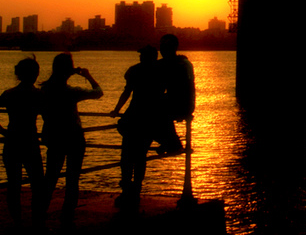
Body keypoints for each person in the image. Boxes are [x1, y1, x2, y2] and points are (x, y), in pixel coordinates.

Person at [40, 53, 102, 228]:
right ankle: (68, 214)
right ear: (69, 69)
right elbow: (98, 93)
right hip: (73, 136)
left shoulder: (45, 90)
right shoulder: (71, 92)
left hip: (53, 136)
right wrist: (88, 76)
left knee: (50, 176)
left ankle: (41, 210)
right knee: (73, 178)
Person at [0, 56, 44, 229]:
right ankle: (36, 220)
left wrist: (1, 130)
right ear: (35, 74)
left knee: (14, 184)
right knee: (37, 183)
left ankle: (17, 220)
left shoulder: (10, 94)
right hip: (30, 140)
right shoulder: (38, 95)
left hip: (12, 140)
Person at [110, 45, 163, 209]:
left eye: (142, 56)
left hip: (135, 117)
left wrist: (117, 110)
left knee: (127, 156)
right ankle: (134, 190)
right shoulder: (160, 71)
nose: (140, 58)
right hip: (149, 118)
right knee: (139, 157)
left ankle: (128, 190)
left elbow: (127, 92)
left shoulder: (135, 71)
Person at [156, 34, 195, 155]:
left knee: (153, 108)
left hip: (182, 104)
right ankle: (169, 142)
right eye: (162, 47)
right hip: (182, 103)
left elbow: (177, 88)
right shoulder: (180, 62)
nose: (163, 50)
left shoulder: (179, 65)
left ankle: (172, 143)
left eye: (166, 47)